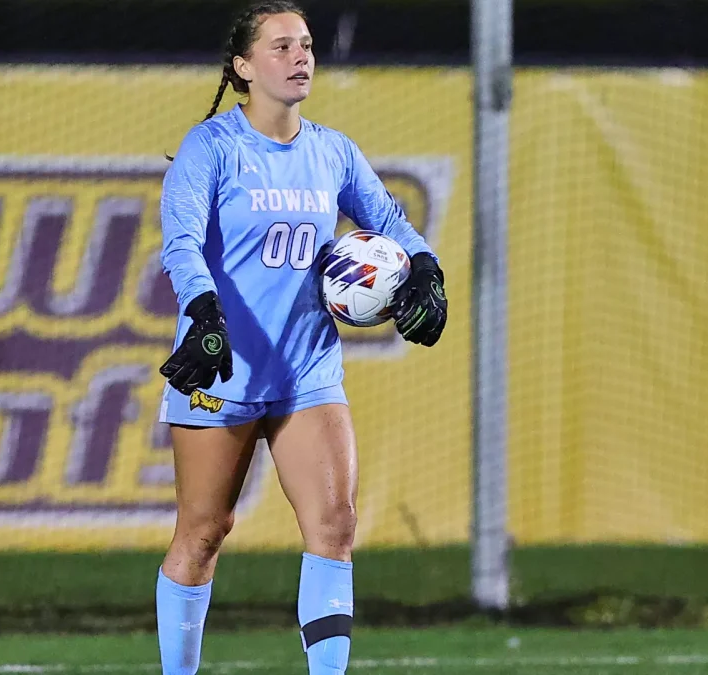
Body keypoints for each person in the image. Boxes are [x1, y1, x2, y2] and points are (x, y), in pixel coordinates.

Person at [154, 2, 447, 674]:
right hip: (221, 366)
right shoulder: (213, 148)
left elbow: (392, 221)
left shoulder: (332, 151)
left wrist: (425, 269)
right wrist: (204, 315)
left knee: (335, 527)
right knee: (203, 535)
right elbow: (182, 243)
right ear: (243, 66)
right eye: (281, 45)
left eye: (307, 44)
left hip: (307, 372)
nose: (300, 56)